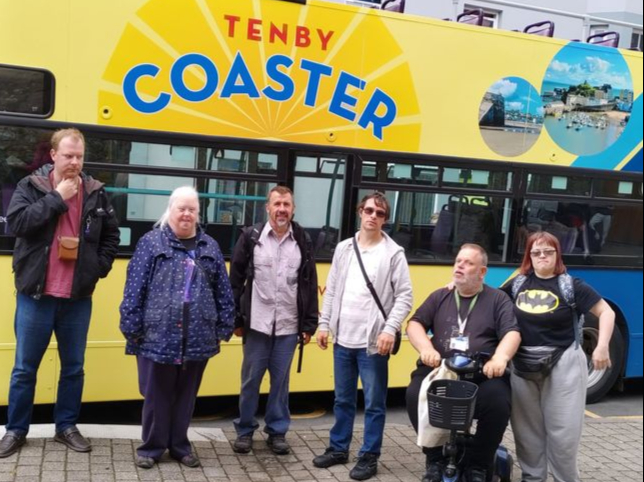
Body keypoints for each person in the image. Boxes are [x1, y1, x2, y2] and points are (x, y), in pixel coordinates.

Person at [0, 128, 120, 458]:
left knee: (73, 367)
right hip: (36, 296)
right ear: (53, 155)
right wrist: (58, 198)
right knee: (25, 368)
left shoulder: (96, 192)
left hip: (76, 299)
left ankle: (65, 427)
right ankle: (16, 430)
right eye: (68, 155)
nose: (74, 162)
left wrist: (98, 267)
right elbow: (17, 224)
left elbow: (112, 235)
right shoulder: (33, 186)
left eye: (79, 156)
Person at [119, 186, 235, 469]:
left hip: (198, 335)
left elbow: (223, 289)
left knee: (186, 397)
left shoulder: (209, 246)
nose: (186, 214)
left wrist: (225, 325)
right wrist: (131, 325)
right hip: (157, 334)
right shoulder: (151, 242)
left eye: (191, 209)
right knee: (157, 396)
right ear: (170, 210)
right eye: (181, 208)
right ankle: (151, 448)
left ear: (198, 213)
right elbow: (134, 288)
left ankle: (180, 447)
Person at [312, 192, 413, 481]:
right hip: (343, 338)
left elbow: (405, 297)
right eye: (369, 210)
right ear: (359, 211)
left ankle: (369, 457)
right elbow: (331, 290)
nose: (373, 216)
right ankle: (338, 448)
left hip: (372, 343)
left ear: (385, 219)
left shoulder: (393, 253)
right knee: (342, 399)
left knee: (374, 403)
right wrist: (324, 324)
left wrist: (389, 329)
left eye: (380, 213)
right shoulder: (344, 248)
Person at [501, 232, 615, 482]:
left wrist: (602, 346)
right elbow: (490, 302)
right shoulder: (517, 284)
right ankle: (532, 478)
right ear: (529, 256)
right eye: (536, 252)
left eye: (548, 251)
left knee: (563, 433)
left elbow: (605, 312)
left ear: (557, 255)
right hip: (522, 365)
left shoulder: (572, 285)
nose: (542, 256)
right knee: (526, 433)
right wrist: (455, 285)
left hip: (564, 363)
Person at [405, 244, 521, 482]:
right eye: (458, 261)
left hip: (481, 374)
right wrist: (426, 348)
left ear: (482, 272)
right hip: (442, 370)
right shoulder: (440, 296)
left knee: (498, 403)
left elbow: (512, 333)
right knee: (415, 393)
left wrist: (500, 358)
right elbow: (415, 323)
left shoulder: (497, 299)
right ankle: (435, 459)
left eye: (468, 263)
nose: (460, 265)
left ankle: (478, 463)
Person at [228, 185, 318, 455]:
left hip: (289, 326)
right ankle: (244, 430)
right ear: (267, 207)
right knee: (250, 381)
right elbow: (235, 282)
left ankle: (277, 432)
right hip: (256, 324)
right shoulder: (251, 238)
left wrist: (309, 324)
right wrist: (236, 319)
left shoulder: (302, 240)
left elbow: (309, 283)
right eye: (277, 204)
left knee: (280, 384)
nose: (282, 209)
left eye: (286, 205)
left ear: (293, 209)